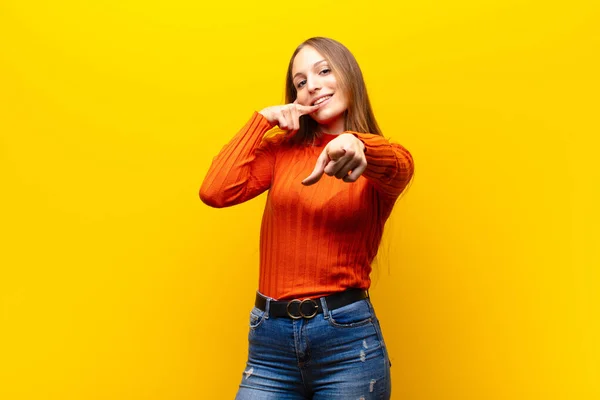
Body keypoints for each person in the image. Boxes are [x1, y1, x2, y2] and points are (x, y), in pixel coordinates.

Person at [200, 37, 414, 400]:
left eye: (324, 71)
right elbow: (215, 191)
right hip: (270, 345)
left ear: (350, 76)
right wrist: (261, 121)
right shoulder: (280, 151)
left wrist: (355, 143)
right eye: (300, 82)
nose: (311, 84)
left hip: (347, 346)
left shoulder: (382, 162)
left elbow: (396, 163)